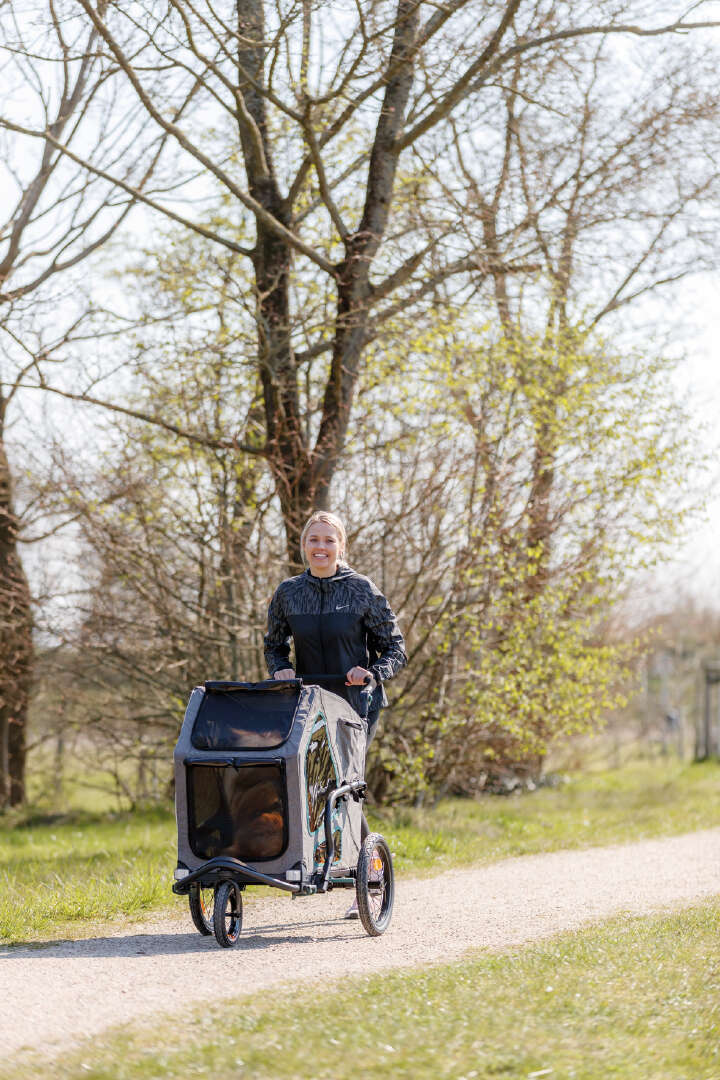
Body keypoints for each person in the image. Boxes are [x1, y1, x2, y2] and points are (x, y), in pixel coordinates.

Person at [264, 510, 407, 917]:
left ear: (341, 546)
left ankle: (370, 873)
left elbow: (395, 648)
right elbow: (274, 646)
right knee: (308, 785)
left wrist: (372, 672)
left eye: (329, 541)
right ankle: (312, 865)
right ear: (304, 546)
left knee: (345, 784)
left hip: (355, 702)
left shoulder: (361, 590)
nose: (321, 548)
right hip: (307, 703)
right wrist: (280, 669)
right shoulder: (288, 593)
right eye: (314, 540)